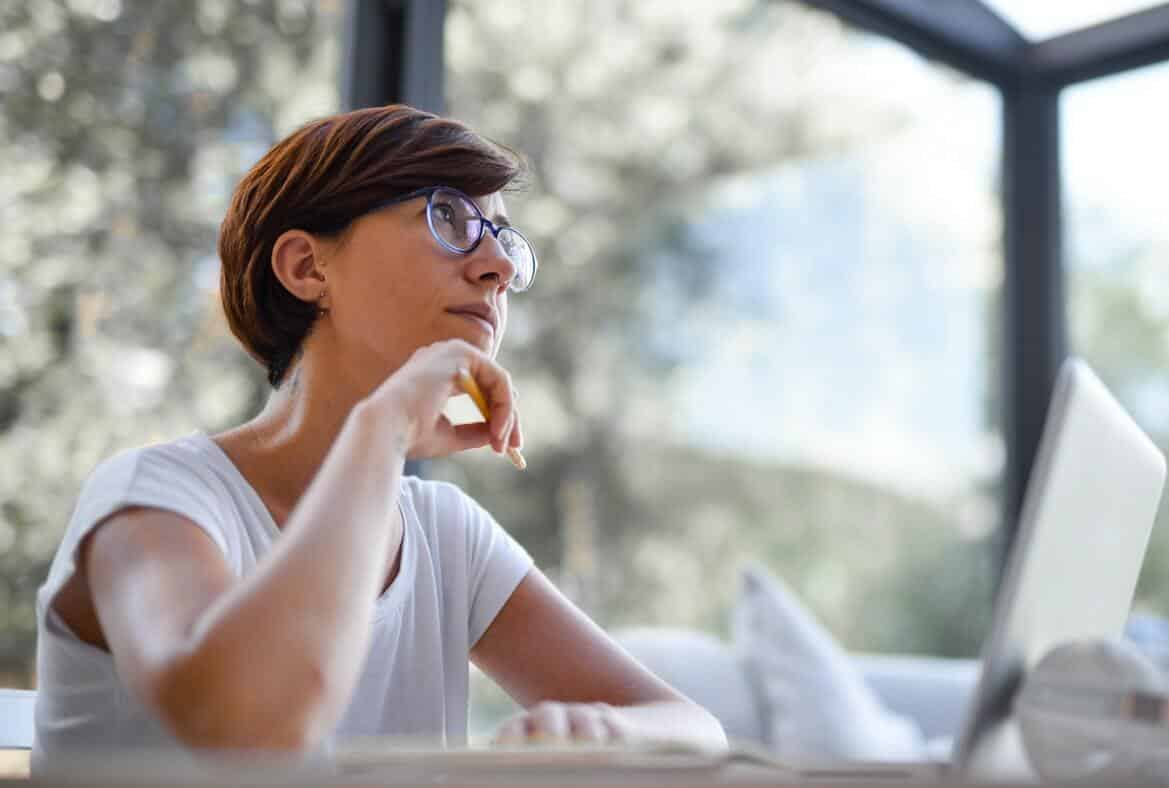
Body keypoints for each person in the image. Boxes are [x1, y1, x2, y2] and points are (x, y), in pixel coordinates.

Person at [32, 105, 727, 767]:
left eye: (504, 239)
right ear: (308, 268)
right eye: (448, 216)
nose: (501, 268)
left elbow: (696, 732)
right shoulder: (157, 499)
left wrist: (600, 728)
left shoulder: (447, 535)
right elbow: (249, 731)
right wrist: (383, 427)